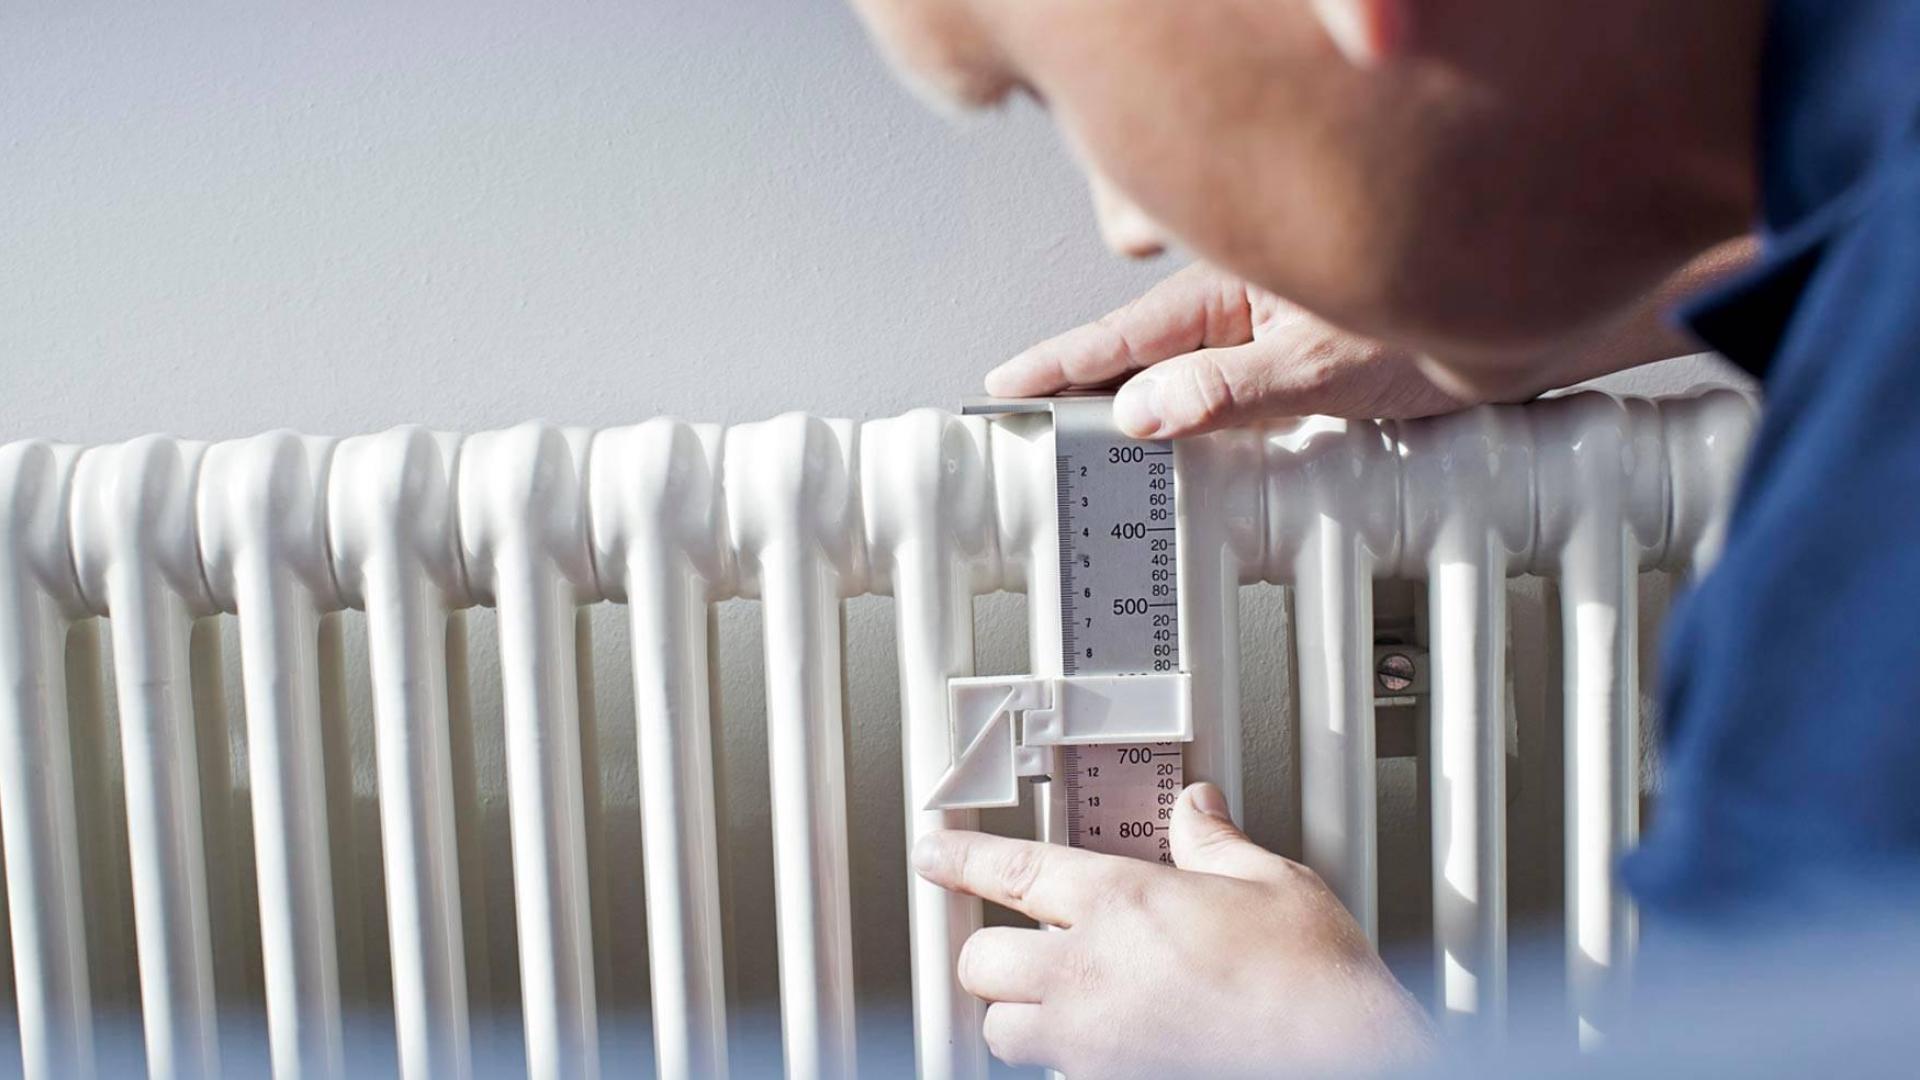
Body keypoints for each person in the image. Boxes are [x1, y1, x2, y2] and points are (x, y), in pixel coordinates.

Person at [843, 0, 1920, 1075]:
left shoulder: (1855, 589)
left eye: (1054, 94)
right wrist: (1509, 271)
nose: (1128, 222)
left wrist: (1328, 1054)